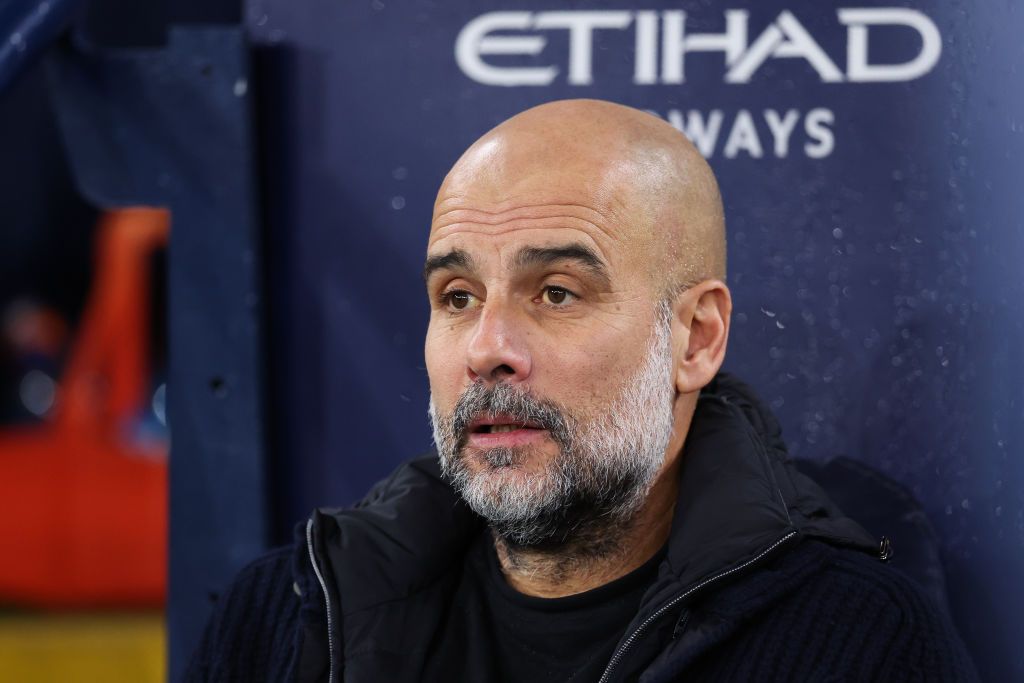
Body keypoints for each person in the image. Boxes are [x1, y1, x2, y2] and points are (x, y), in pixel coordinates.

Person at [186, 99, 977, 682]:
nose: (488, 349)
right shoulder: (288, 616)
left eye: (556, 292)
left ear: (695, 337)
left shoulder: (856, 646)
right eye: (457, 297)